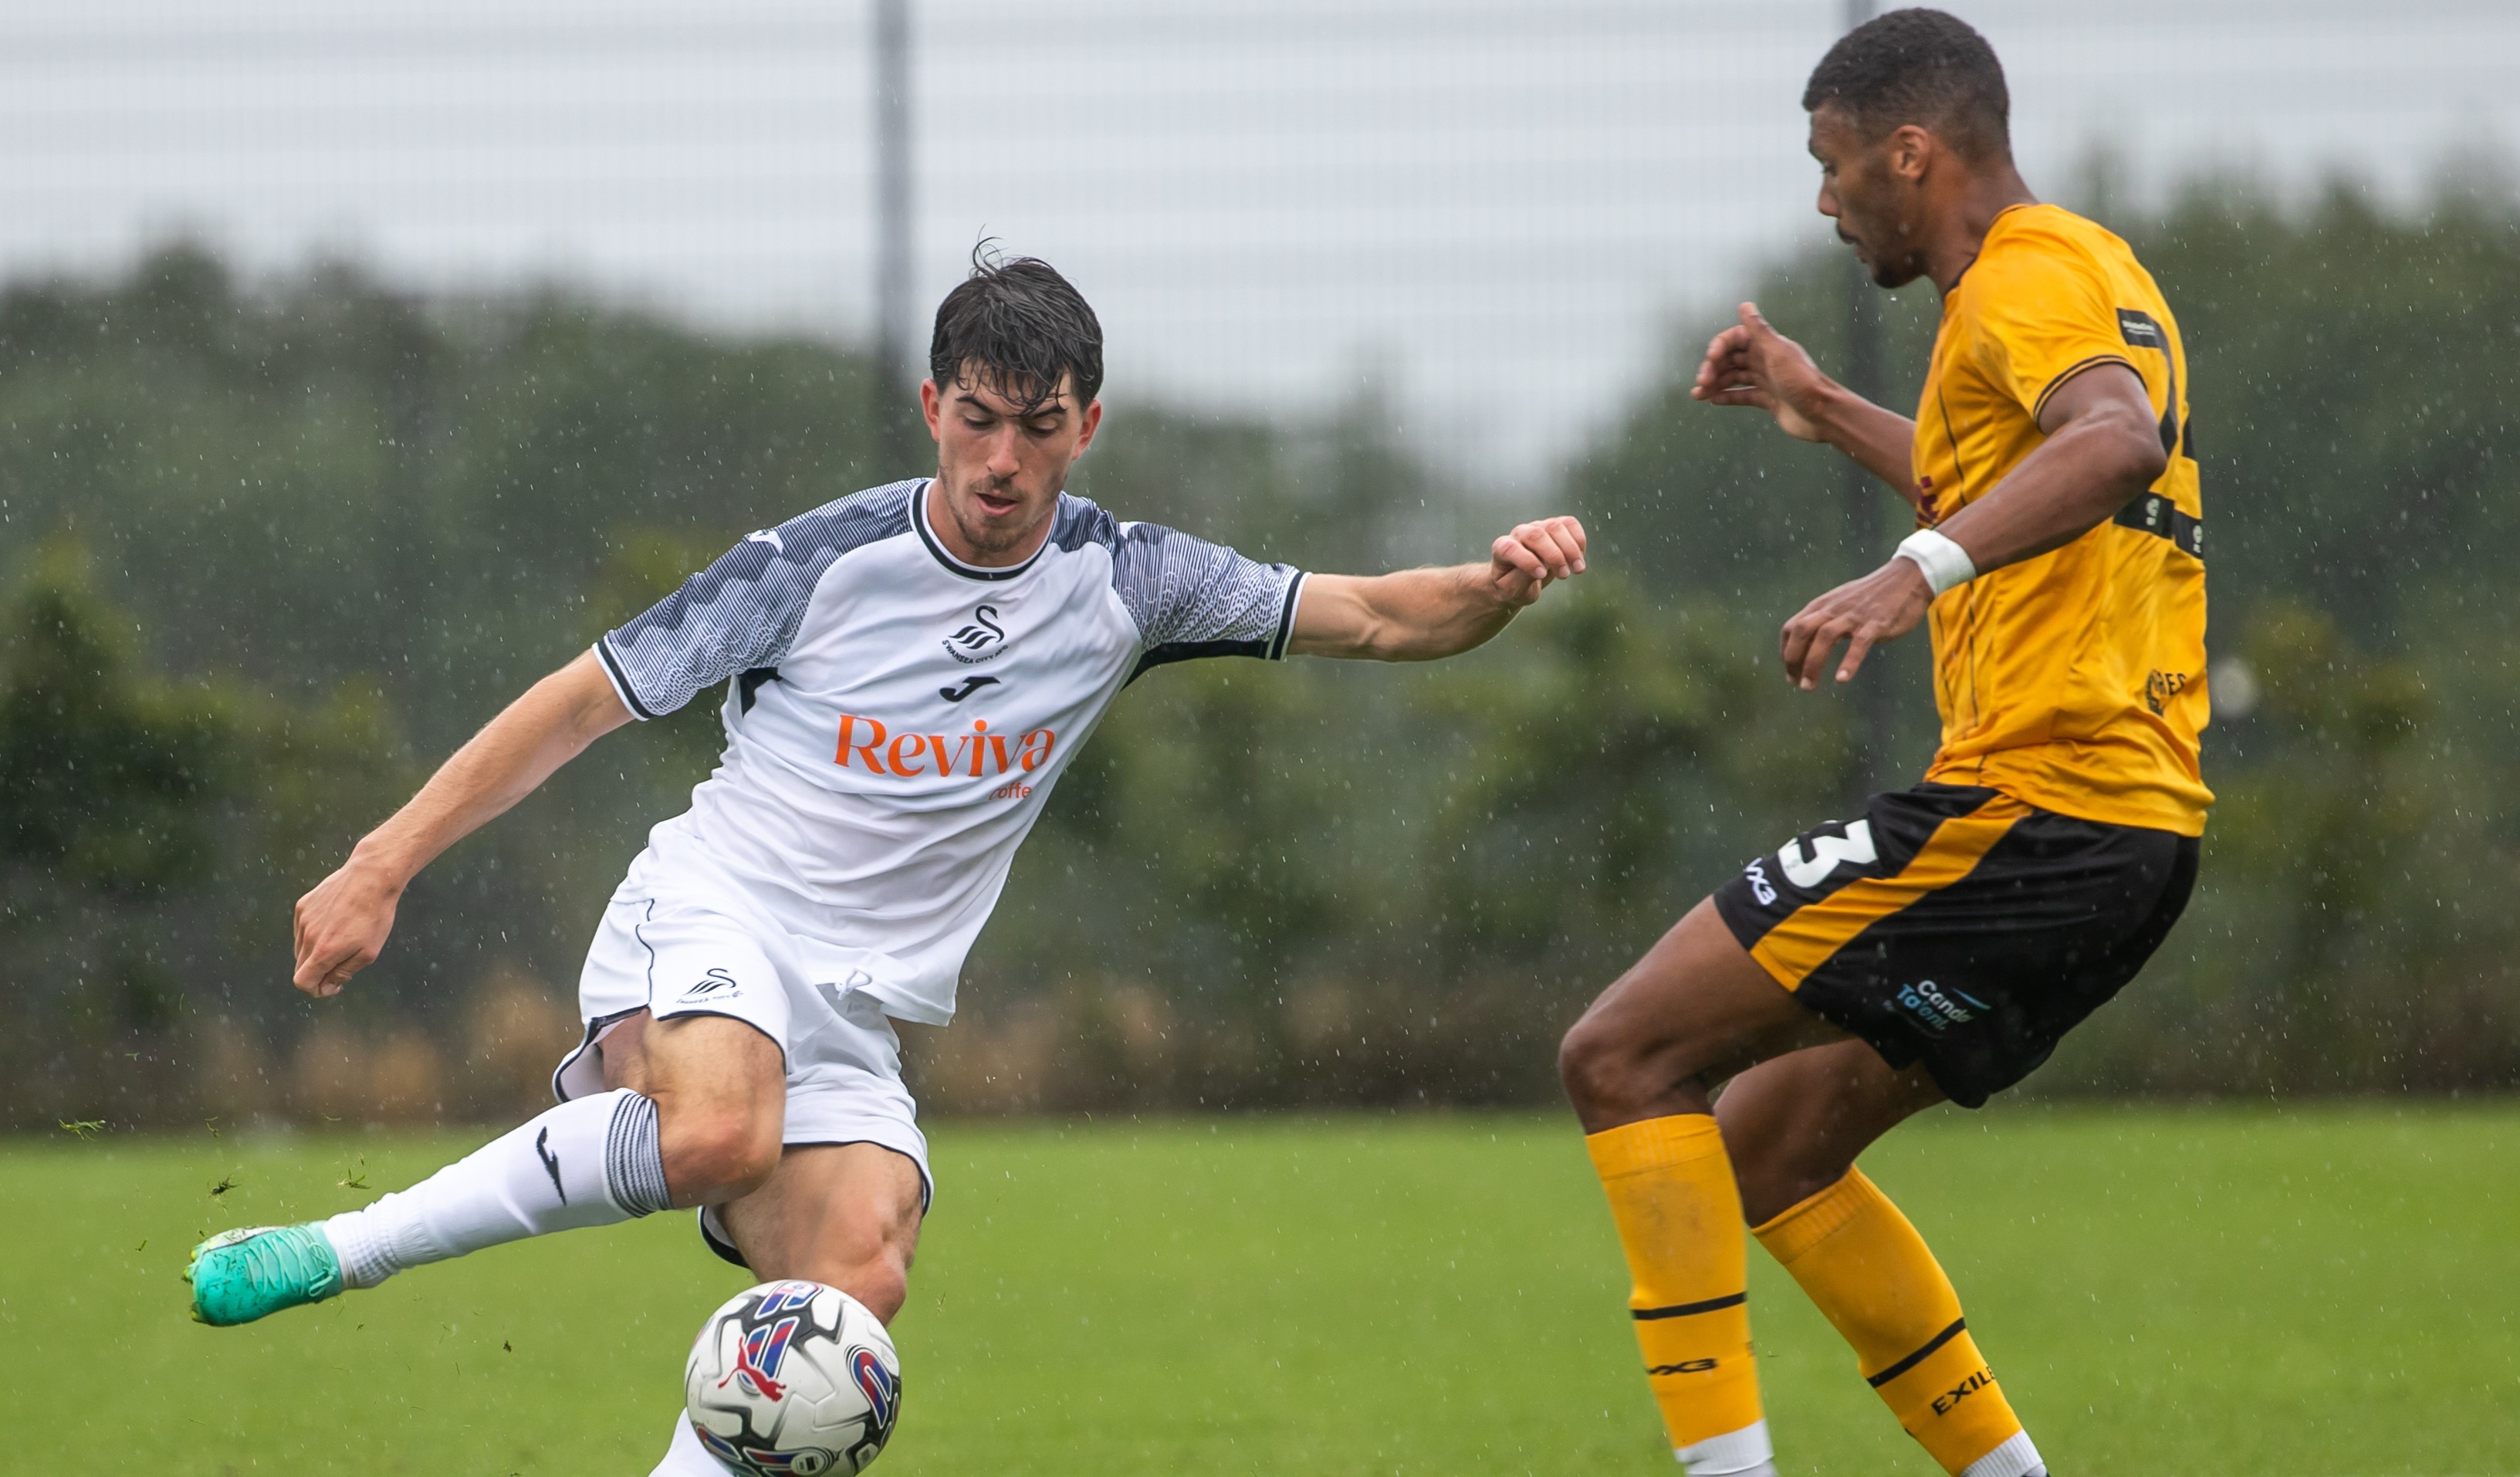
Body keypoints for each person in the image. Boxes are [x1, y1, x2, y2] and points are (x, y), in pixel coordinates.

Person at [186, 250, 1589, 1472]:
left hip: (857, 1010)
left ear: (1086, 426)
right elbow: (579, 702)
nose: (1000, 461)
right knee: (724, 1126)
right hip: (712, 909)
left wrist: (1495, 584)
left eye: (1037, 428)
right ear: (933, 407)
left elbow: (1387, 617)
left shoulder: (1131, 581)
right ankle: (343, 1246)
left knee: (852, 1288)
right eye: (975, 420)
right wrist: (384, 859)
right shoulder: (816, 563)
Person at [1557, 11, 2207, 1477]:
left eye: (1834, 164)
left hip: (2040, 807)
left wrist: (1912, 571)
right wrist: (1820, 403)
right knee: (1771, 1149)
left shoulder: (2021, 281)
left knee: (1623, 1053)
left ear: (1911, 152)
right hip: (2131, 837)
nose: (1824, 199)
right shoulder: (2091, 266)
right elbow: (2018, 469)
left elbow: (2112, 444)